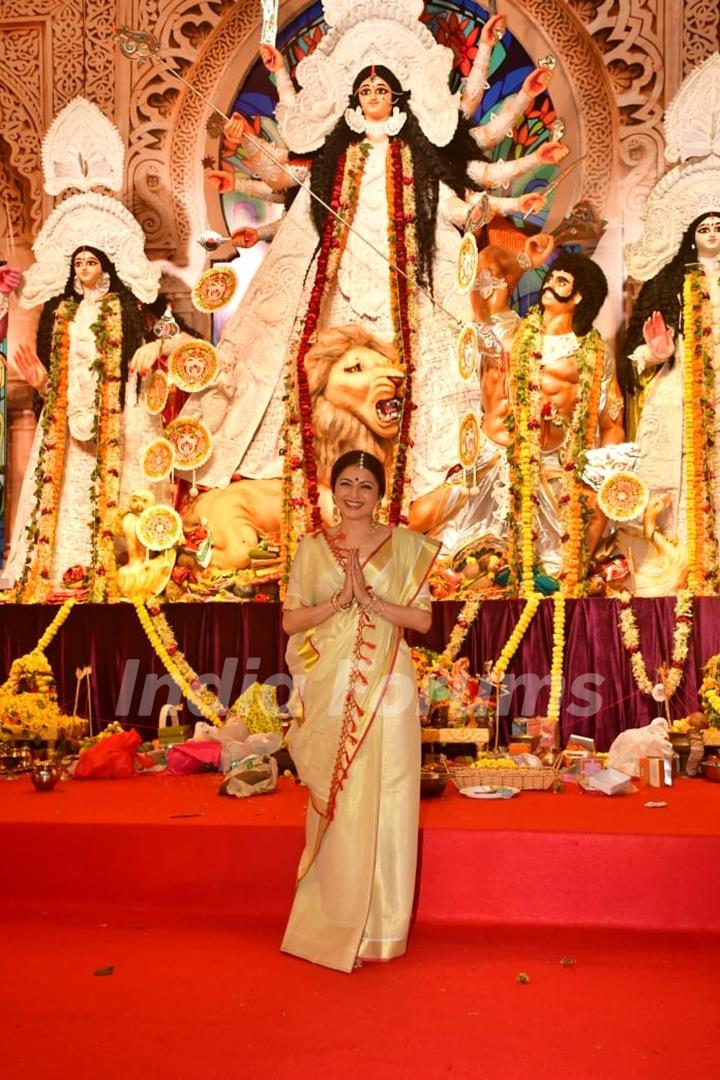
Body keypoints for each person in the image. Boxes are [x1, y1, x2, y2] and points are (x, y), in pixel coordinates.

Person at [185, 3, 560, 512]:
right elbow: (289, 180)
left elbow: (453, 203)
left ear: (397, 97)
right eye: (365, 91)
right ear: (354, 100)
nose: (375, 98)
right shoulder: (337, 159)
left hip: (408, 273)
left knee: (432, 364)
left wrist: (514, 203)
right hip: (338, 273)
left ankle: (416, 486)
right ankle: (321, 481)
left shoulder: (416, 156)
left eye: (382, 90)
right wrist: (245, 158)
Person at [281, 449, 439, 972]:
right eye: (345, 483)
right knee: (338, 793)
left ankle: (379, 927)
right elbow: (289, 622)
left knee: (389, 793)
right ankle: (328, 917)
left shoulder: (405, 548)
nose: (354, 494)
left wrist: (371, 602)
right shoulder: (309, 550)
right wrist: (338, 602)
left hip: (388, 683)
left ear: (380, 494)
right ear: (333, 488)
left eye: (365, 486)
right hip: (329, 684)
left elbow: (421, 621)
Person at [412, 251, 625, 593]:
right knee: (419, 518)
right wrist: (527, 257)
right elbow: (488, 268)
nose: (550, 284)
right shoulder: (510, 329)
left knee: (563, 568)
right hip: (489, 459)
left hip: (552, 472)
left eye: (562, 281)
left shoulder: (595, 354)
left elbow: (611, 424)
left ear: (580, 296)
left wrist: (600, 479)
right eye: (551, 276)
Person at [3, 243, 178, 601]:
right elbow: (60, 384)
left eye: (91, 262)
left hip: (118, 421)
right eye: (78, 262)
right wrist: (39, 381)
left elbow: (172, 326)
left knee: (123, 507)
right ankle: (65, 576)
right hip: (67, 428)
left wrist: (155, 346)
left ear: (105, 266)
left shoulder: (127, 307)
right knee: (63, 498)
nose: (84, 268)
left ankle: (113, 571)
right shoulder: (61, 312)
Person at [624, 212, 720, 588]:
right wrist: (656, 352)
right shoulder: (672, 281)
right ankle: (675, 566)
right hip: (680, 387)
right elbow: (642, 350)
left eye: (719, 227)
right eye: (704, 228)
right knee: (672, 475)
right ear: (691, 238)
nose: (712, 234)